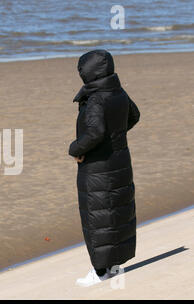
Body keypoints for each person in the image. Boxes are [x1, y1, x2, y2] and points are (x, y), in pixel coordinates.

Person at [68, 49, 140, 287]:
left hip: (97, 167)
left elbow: (96, 132)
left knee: (97, 217)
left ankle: (100, 272)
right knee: (115, 214)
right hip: (119, 161)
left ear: (88, 72)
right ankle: (111, 267)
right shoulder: (116, 90)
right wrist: (115, 137)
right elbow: (134, 115)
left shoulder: (97, 97)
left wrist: (76, 149)